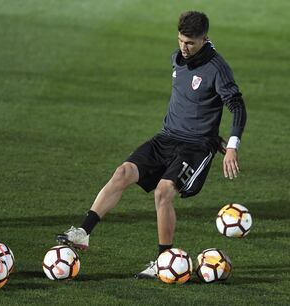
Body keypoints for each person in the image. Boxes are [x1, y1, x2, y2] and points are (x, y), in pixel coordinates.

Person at [56, 11, 247, 278]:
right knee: (123, 172)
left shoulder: (217, 68)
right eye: (181, 40)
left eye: (190, 42)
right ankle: (83, 232)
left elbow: (237, 106)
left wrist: (232, 146)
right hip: (166, 138)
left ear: (205, 39)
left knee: (163, 191)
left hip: (195, 147)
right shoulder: (177, 59)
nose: (184, 47)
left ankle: (162, 260)